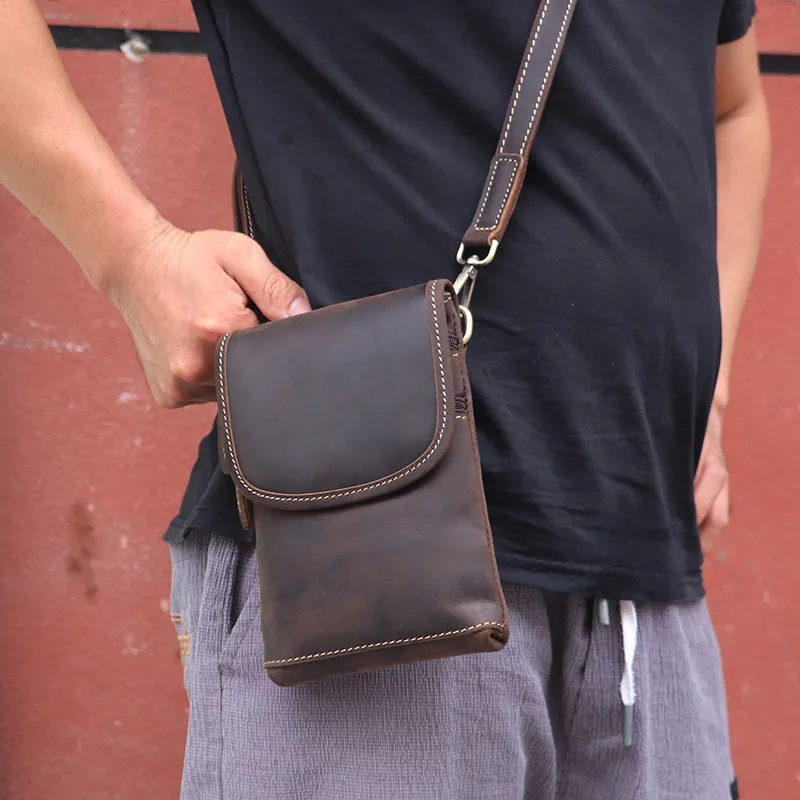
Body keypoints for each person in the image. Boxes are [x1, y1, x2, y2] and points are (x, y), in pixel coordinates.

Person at [1, 0, 770, 797]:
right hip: (370, 563)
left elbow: (733, 108)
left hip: (651, 593)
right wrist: (136, 257)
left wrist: (706, 394)